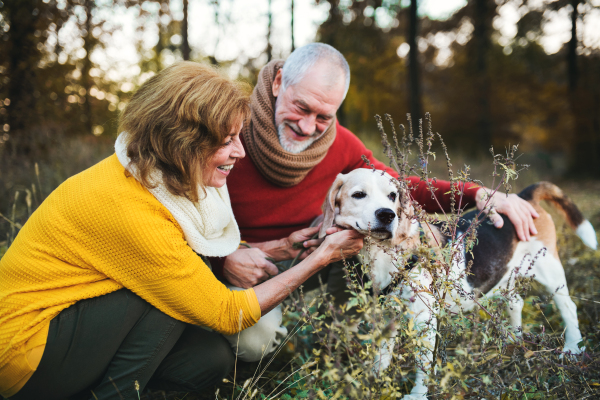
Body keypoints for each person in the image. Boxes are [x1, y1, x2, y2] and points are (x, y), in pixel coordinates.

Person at [0, 62, 363, 400]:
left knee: (209, 359)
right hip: (25, 352)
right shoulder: (129, 206)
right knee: (169, 298)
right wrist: (322, 257)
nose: (240, 151)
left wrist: (278, 247)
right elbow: (225, 311)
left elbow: (192, 247)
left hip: (77, 321)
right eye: (226, 140)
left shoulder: (156, 173)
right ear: (181, 140)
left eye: (239, 136)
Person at [215, 43, 540, 307]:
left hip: (304, 253)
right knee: (250, 345)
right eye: (301, 107)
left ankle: (342, 340)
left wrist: (478, 193)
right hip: (234, 259)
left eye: (323, 117)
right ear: (277, 82)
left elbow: (399, 187)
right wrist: (224, 259)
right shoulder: (227, 133)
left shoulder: (340, 144)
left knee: (365, 230)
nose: (307, 127)